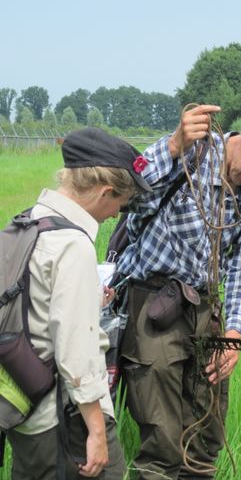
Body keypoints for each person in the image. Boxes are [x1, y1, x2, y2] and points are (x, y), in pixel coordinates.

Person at [116, 105, 241, 479]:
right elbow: (128, 195)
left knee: (206, 436)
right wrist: (171, 145)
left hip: (205, 310)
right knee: (163, 444)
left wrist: (234, 332)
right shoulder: (190, 151)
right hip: (153, 304)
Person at [6, 127, 152, 480]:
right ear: (105, 192)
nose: (118, 214)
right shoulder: (74, 244)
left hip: (23, 407)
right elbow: (77, 348)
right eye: (121, 203)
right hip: (65, 416)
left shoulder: (28, 223)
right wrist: (97, 432)